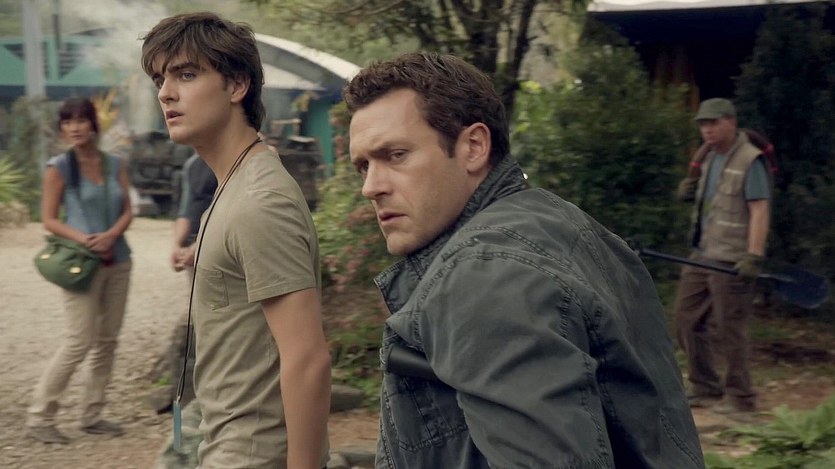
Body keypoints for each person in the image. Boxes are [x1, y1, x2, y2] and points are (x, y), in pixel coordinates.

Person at [344, 52, 705, 468]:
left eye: (395, 155)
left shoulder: (486, 275)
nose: (371, 187)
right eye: (363, 166)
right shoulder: (561, 225)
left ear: (474, 146)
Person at [141, 12, 331, 469]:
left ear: (237, 85)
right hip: (224, 442)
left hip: (253, 454)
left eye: (186, 74)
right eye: (160, 79)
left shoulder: (260, 201)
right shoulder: (233, 186)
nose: (166, 92)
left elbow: (308, 359)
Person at [27, 97, 133, 444]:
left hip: (119, 260)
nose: (74, 128)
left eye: (81, 120)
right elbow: (48, 219)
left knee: (108, 341)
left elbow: (128, 210)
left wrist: (112, 235)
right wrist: (85, 239)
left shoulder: (115, 163)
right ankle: (40, 416)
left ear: (93, 125)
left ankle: (93, 415)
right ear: (62, 129)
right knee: (79, 341)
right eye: (67, 122)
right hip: (81, 263)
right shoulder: (59, 167)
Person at [674, 98, 772, 415]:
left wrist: (753, 256)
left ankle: (741, 398)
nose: (708, 130)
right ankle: (704, 386)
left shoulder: (750, 159)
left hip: (731, 258)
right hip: (703, 252)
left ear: (731, 121)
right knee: (685, 320)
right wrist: (690, 188)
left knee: (730, 328)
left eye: (714, 123)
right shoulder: (709, 157)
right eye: (703, 124)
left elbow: (759, 210)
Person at [170, 152, 216, 274]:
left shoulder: (232, 159)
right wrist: (177, 245)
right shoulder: (192, 164)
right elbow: (185, 210)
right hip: (195, 248)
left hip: (221, 249)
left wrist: (201, 244)